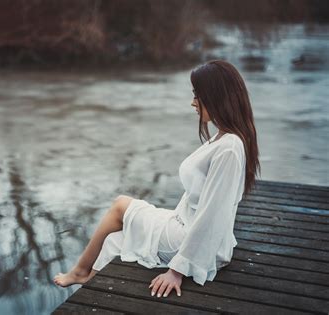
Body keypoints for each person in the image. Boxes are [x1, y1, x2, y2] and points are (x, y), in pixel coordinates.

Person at [53, 60, 260, 299]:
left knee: (121, 205)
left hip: (193, 241)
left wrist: (176, 270)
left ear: (215, 96)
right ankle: (89, 285)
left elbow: (212, 214)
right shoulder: (224, 138)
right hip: (184, 226)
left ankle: (79, 271)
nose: (193, 102)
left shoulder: (230, 148)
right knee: (115, 241)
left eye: (197, 95)